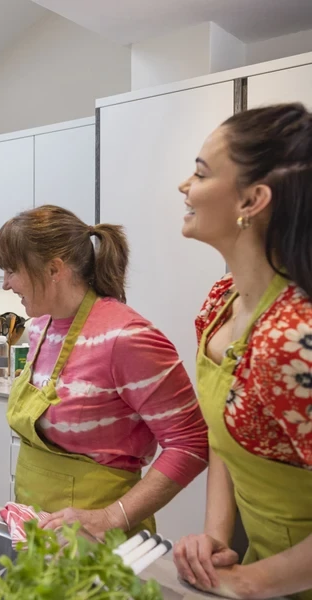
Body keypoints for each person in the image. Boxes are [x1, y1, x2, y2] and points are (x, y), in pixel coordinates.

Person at [0, 205, 209, 539]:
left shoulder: (127, 337)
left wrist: (111, 517)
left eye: (11, 270)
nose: (6, 284)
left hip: (100, 541)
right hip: (38, 532)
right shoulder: (39, 330)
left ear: (54, 269)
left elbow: (191, 443)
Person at [173, 103, 312, 600]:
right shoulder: (220, 304)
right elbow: (225, 433)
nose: (184, 186)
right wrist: (215, 537)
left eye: (201, 172)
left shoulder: (292, 340)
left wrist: (251, 582)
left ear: (253, 200)